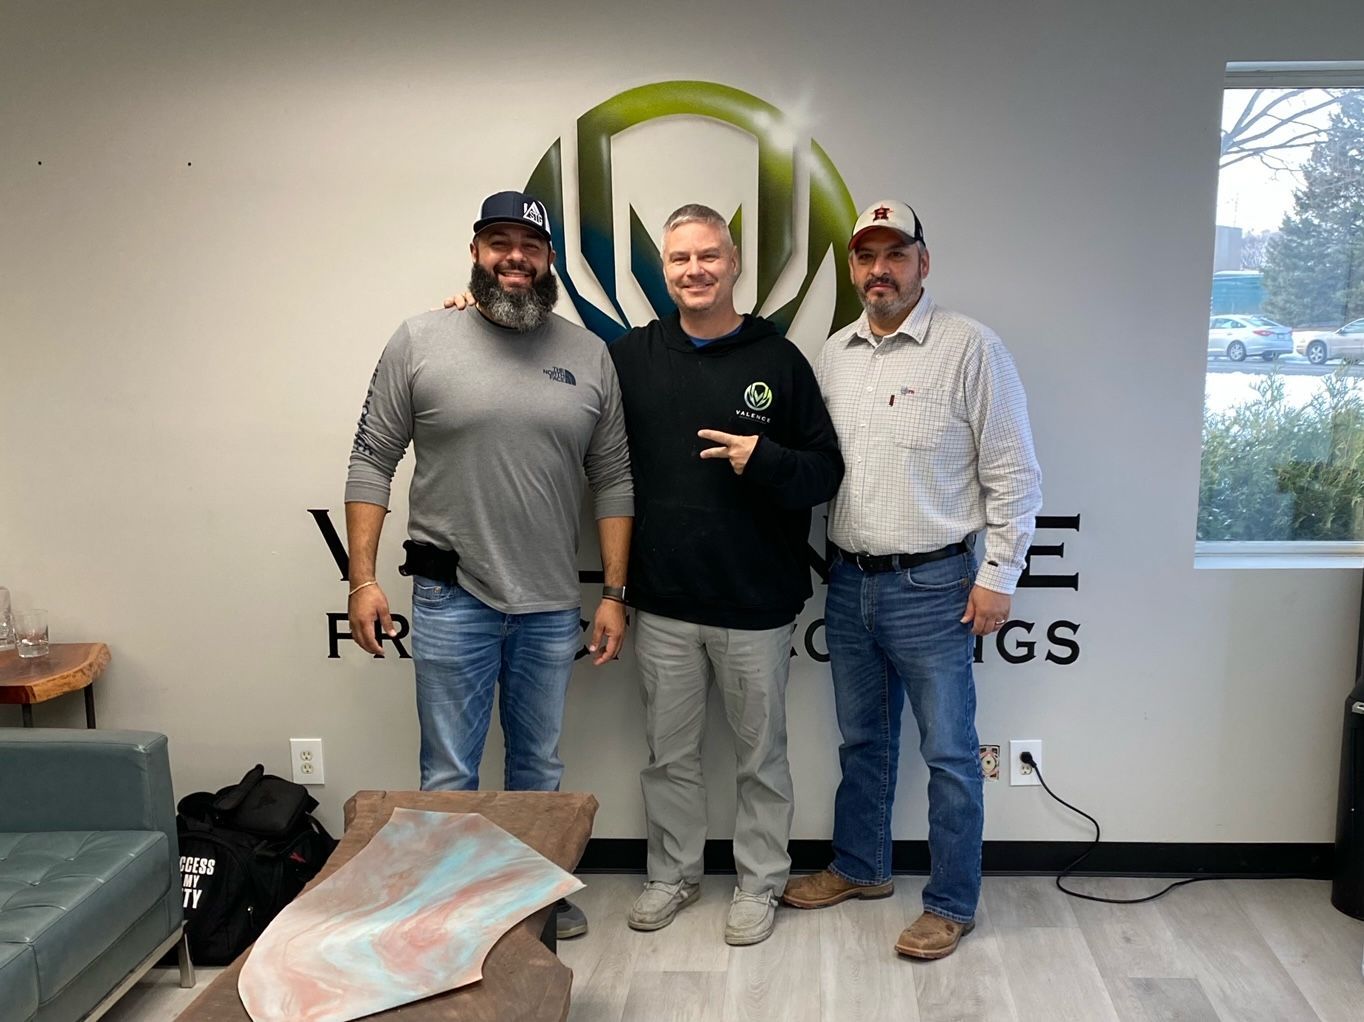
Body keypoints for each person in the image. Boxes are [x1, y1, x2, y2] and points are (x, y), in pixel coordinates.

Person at [346, 190, 634, 939]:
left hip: (546, 604)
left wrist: (613, 591)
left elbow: (614, 479)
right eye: (499, 242)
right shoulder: (420, 340)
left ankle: (532, 901)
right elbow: (371, 459)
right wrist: (363, 580)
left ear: (548, 261)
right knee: (449, 773)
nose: (514, 256)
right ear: (475, 252)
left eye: (530, 245)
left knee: (538, 771)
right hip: (452, 600)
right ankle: (448, 912)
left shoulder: (588, 354)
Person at [782, 199, 1042, 960]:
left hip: (935, 586)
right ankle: (861, 867)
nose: (879, 270)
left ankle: (952, 901)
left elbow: (1014, 474)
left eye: (895, 255)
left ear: (923, 263)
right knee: (864, 739)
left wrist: (999, 575)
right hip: (850, 580)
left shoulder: (971, 349)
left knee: (951, 754)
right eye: (866, 257)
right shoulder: (834, 355)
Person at [610, 205, 843, 946]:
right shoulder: (630, 357)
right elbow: (548, 370)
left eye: (708, 256)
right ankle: (673, 875)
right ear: (664, 270)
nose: (694, 271)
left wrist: (762, 460)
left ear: (734, 263)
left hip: (757, 605)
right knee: (668, 758)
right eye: (679, 259)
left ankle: (759, 883)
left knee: (759, 760)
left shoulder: (780, 362)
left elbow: (825, 473)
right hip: (666, 603)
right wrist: (465, 312)